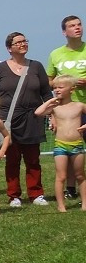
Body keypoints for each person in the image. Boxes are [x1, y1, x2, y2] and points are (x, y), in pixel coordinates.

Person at [0, 32, 52, 207]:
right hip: (8, 120)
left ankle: (36, 193)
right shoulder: (0, 68)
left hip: (33, 118)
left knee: (33, 159)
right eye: (19, 42)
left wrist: (52, 114)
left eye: (25, 41)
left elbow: (46, 93)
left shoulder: (36, 66)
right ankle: (14, 195)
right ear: (9, 48)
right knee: (12, 159)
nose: (23, 44)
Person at [47, 15, 86, 201]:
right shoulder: (56, 54)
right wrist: (53, 113)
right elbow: (50, 81)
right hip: (65, 110)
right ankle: (70, 188)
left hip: (84, 106)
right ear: (64, 32)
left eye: (79, 24)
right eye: (72, 26)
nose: (77, 28)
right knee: (69, 149)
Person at [34, 76, 86, 211]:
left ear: (72, 89)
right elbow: (38, 112)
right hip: (60, 145)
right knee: (60, 176)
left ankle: (85, 204)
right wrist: (50, 101)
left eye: (60, 87)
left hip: (77, 145)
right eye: (55, 88)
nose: (56, 90)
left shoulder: (79, 106)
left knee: (80, 175)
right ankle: (61, 206)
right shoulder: (54, 107)